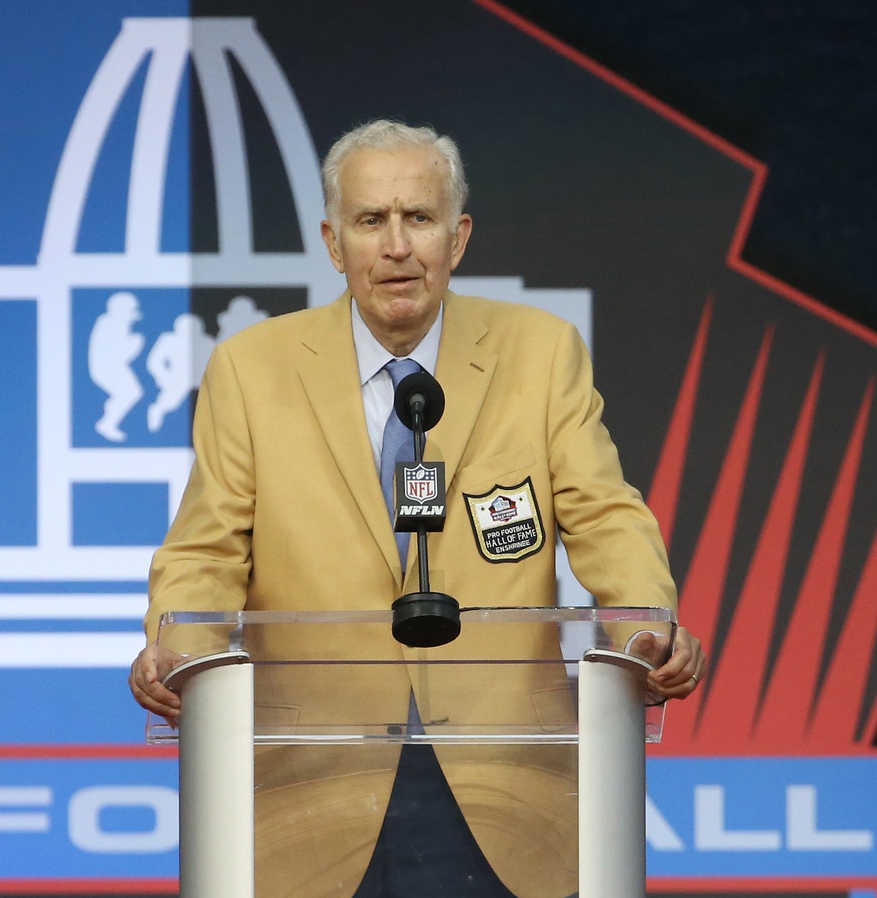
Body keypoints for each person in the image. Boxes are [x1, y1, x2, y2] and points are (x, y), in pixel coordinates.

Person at [129, 120, 706, 896]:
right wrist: (183, 653)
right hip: (310, 792)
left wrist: (644, 628)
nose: (396, 246)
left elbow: (605, 516)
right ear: (334, 244)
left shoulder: (538, 353)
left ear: (457, 236)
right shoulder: (251, 367)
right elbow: (206, 552)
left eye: (419, 218)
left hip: (505, 792)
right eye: (371, 221)